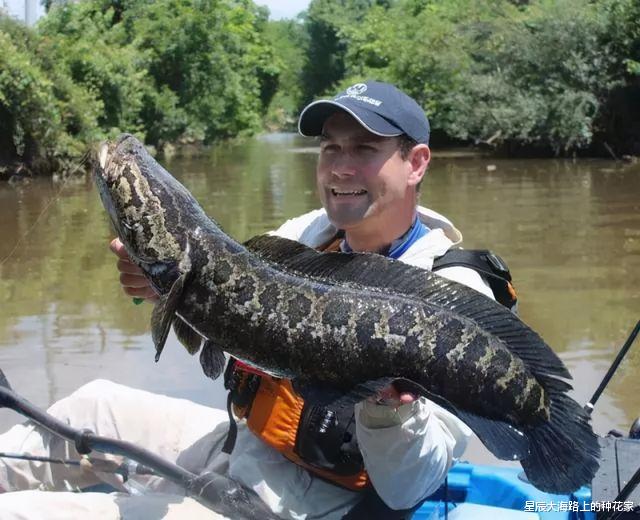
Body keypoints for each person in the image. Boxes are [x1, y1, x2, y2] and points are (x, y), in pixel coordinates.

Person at [0, 81, 496, 519]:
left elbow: (410, 485)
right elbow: (220, 304)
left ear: (416, 162)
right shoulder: (307, 234)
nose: (340, 168)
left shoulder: (451, 300)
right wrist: (157, 289)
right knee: (93, 404)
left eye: (364, 148)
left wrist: (391, 407)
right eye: (330, 148)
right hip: (246, 449)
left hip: (310, 504)